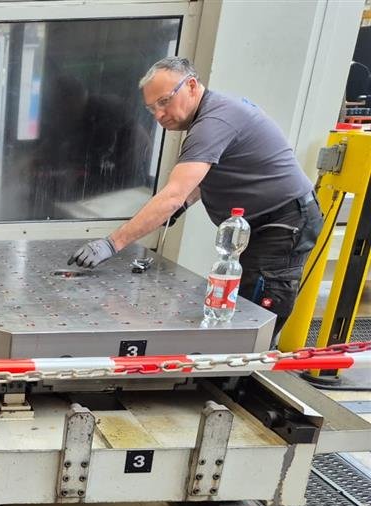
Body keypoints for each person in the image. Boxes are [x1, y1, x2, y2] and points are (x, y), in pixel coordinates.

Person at [68, 57, 324, 335]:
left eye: (164, 101)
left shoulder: (214, 121)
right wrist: (184, 204)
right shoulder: (214, 113)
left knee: (252, 318)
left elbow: (172, 196)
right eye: (152, 108)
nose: (159, 115)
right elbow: (211, 174)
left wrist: (111, 244)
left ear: (191, 85)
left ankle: (249, 361)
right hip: (263, 223)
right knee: (235, 307)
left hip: (283, 225)